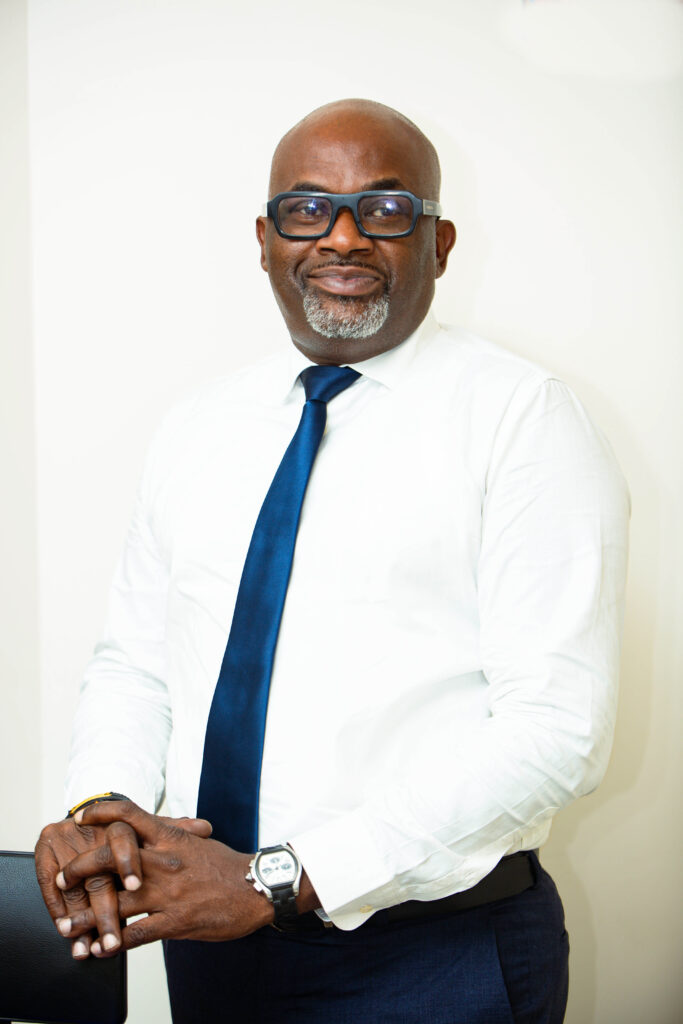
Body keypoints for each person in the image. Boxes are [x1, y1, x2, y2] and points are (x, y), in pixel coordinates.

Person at [35, 98, 630, 1023]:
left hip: (427, 961)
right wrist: (102, 811)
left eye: (384, 210)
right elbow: (136, 665)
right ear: (264, 240)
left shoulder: (523, 420)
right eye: (307, 209)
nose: (342, 237)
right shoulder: (198, 428)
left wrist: (282, 877)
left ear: (438, 243)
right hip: (208, 946)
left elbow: (557, 730)